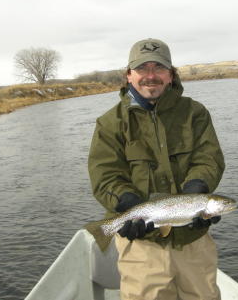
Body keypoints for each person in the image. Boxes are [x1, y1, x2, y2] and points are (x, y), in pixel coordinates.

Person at [88, 38, 225, 300]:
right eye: (142, 69)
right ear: (129, 75)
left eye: (159, 68)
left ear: (171, 75)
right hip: (141, 246)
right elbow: (104, 175)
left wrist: (199, 186)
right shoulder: (110, 123)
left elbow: (210, 158)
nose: (151, 76)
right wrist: (125, 202)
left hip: (193, 242)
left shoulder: (195, 113)